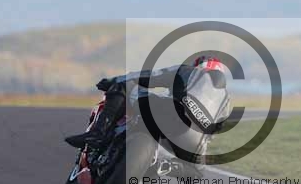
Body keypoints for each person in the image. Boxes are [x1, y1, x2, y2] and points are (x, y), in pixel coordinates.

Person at [65, 56, 229, 149]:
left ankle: (98, 133)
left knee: (123, 86)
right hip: (191, 144)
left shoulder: (187, 71)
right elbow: (215, 131)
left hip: (170, 114)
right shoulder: (226, 101)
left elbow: (150, 76)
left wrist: (114, 81)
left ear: (199, 66)